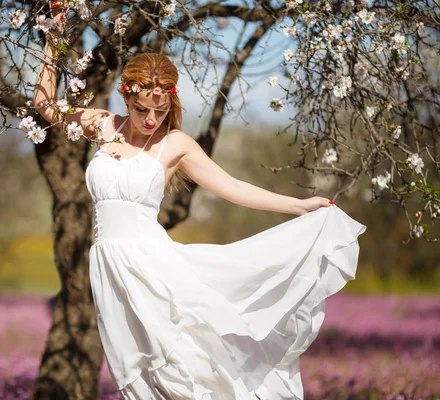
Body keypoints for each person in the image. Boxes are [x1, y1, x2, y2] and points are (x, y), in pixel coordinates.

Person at [33, 16, 366, 400]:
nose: (151, 119)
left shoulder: (175, 144)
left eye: (160, 110)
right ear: (127, 97)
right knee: (135, 378)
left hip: (152, 268)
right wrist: (53, 38)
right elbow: (45, 107)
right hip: (109, 268)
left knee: (182, 369)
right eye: (142, 110)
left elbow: (232, 188)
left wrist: (298, 206)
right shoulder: (104, 125)